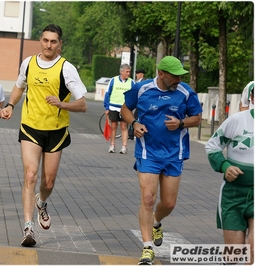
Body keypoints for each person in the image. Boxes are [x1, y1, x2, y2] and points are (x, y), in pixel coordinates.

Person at [1, 24, 87, 247]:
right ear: (41, 40)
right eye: (45, 40)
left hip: (56, 131)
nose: (49, 45)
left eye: (53, 41)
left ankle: (42, 202)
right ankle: (28, 227)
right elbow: (19, 87)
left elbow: (83, 105)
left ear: (60, 44)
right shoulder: (28, 63)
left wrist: (62, 104)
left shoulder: (66, 68)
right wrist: (11, 104)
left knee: (47, 182)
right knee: (30, 175)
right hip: (30, 126)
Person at [121, 56, 203, 265]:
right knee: (148, 198)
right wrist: (134, 123)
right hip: (148, 152)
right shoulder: (142, 89)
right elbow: (125, 109)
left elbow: (197, 117)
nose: (178, 79)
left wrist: (181, 122)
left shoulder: (185, 92)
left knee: (169, 203)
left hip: (175, 153)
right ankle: (147, 248)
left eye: (179, 76)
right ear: (161, 74)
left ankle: (156, 222)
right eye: (174, 76)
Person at [205, 86, 254, 265]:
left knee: (252, 249)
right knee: (233, 256)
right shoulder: (237, 121)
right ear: (252, 99)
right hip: (234, 195)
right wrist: (225, 166)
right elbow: (212, 146)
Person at [103, 64, 135, 154]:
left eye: (129, 72)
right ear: (121, 71)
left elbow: (134, 95)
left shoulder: (132, 82)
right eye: (127, 72)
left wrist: (131, 107)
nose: (128, 73)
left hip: (125, 108)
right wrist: (107, 107)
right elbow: (107, 93)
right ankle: (112, 145)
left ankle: (124, 147)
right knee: (113, 126)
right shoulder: (113, 80)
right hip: (113, 107)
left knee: (124, 126)